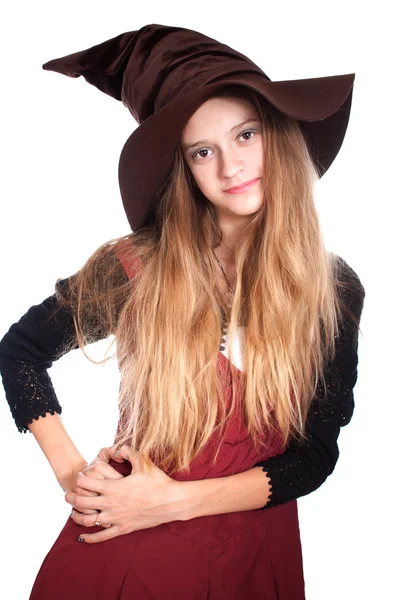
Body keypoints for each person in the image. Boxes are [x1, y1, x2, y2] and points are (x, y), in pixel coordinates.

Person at [0, 24, 365, 600]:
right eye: (203, 151)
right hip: (126, 556)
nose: (231, 167)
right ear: (185, 170)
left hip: (252, 556)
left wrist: (174, 501)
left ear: (276, 131)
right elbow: (21, 350)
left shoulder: (333, 288)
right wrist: (77, 480)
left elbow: (315, 455)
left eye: (245, 134)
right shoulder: (138, 268)